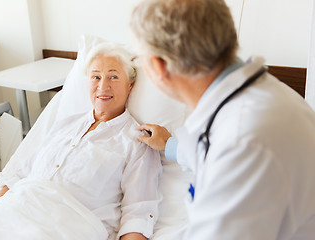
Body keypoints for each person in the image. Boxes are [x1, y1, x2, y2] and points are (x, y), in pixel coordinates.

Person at [130, 0, 315, 239]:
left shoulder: (245, 140)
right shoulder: (256, 98)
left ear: (158, 66)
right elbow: (211, 147)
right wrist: (170, 146)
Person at [0, 43, 162, 240]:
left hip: (62, 226)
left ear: (130, 85)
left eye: (113, 77)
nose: (103, 86)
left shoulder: (138, 141)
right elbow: (19, 175)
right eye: (96, 77)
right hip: (11, 211)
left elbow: (138, 214)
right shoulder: (65, 124)